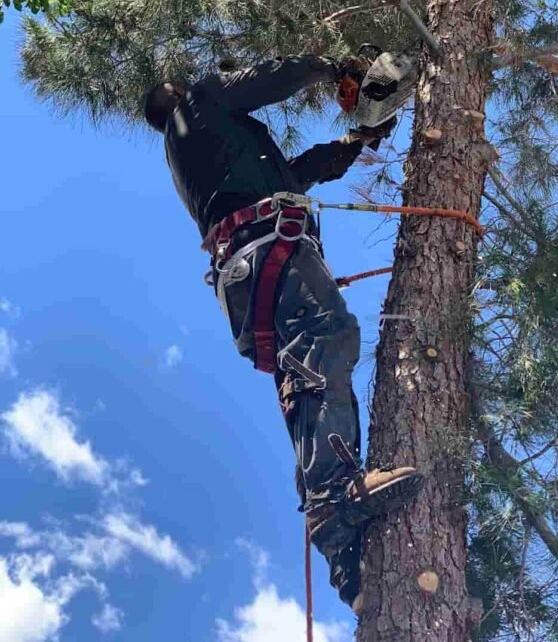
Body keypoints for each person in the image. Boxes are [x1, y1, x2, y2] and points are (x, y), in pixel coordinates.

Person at [143, 55, 422, 611]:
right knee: (327, 337)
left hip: (248, 273)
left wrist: (357, 139)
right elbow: (270, 78)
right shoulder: (198, 104)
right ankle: (334, 493)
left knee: (308, 376)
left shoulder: (209, 154)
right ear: (176, 93)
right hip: (270, 250)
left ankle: (347, 561)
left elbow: (296, 173)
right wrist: (333, 64)